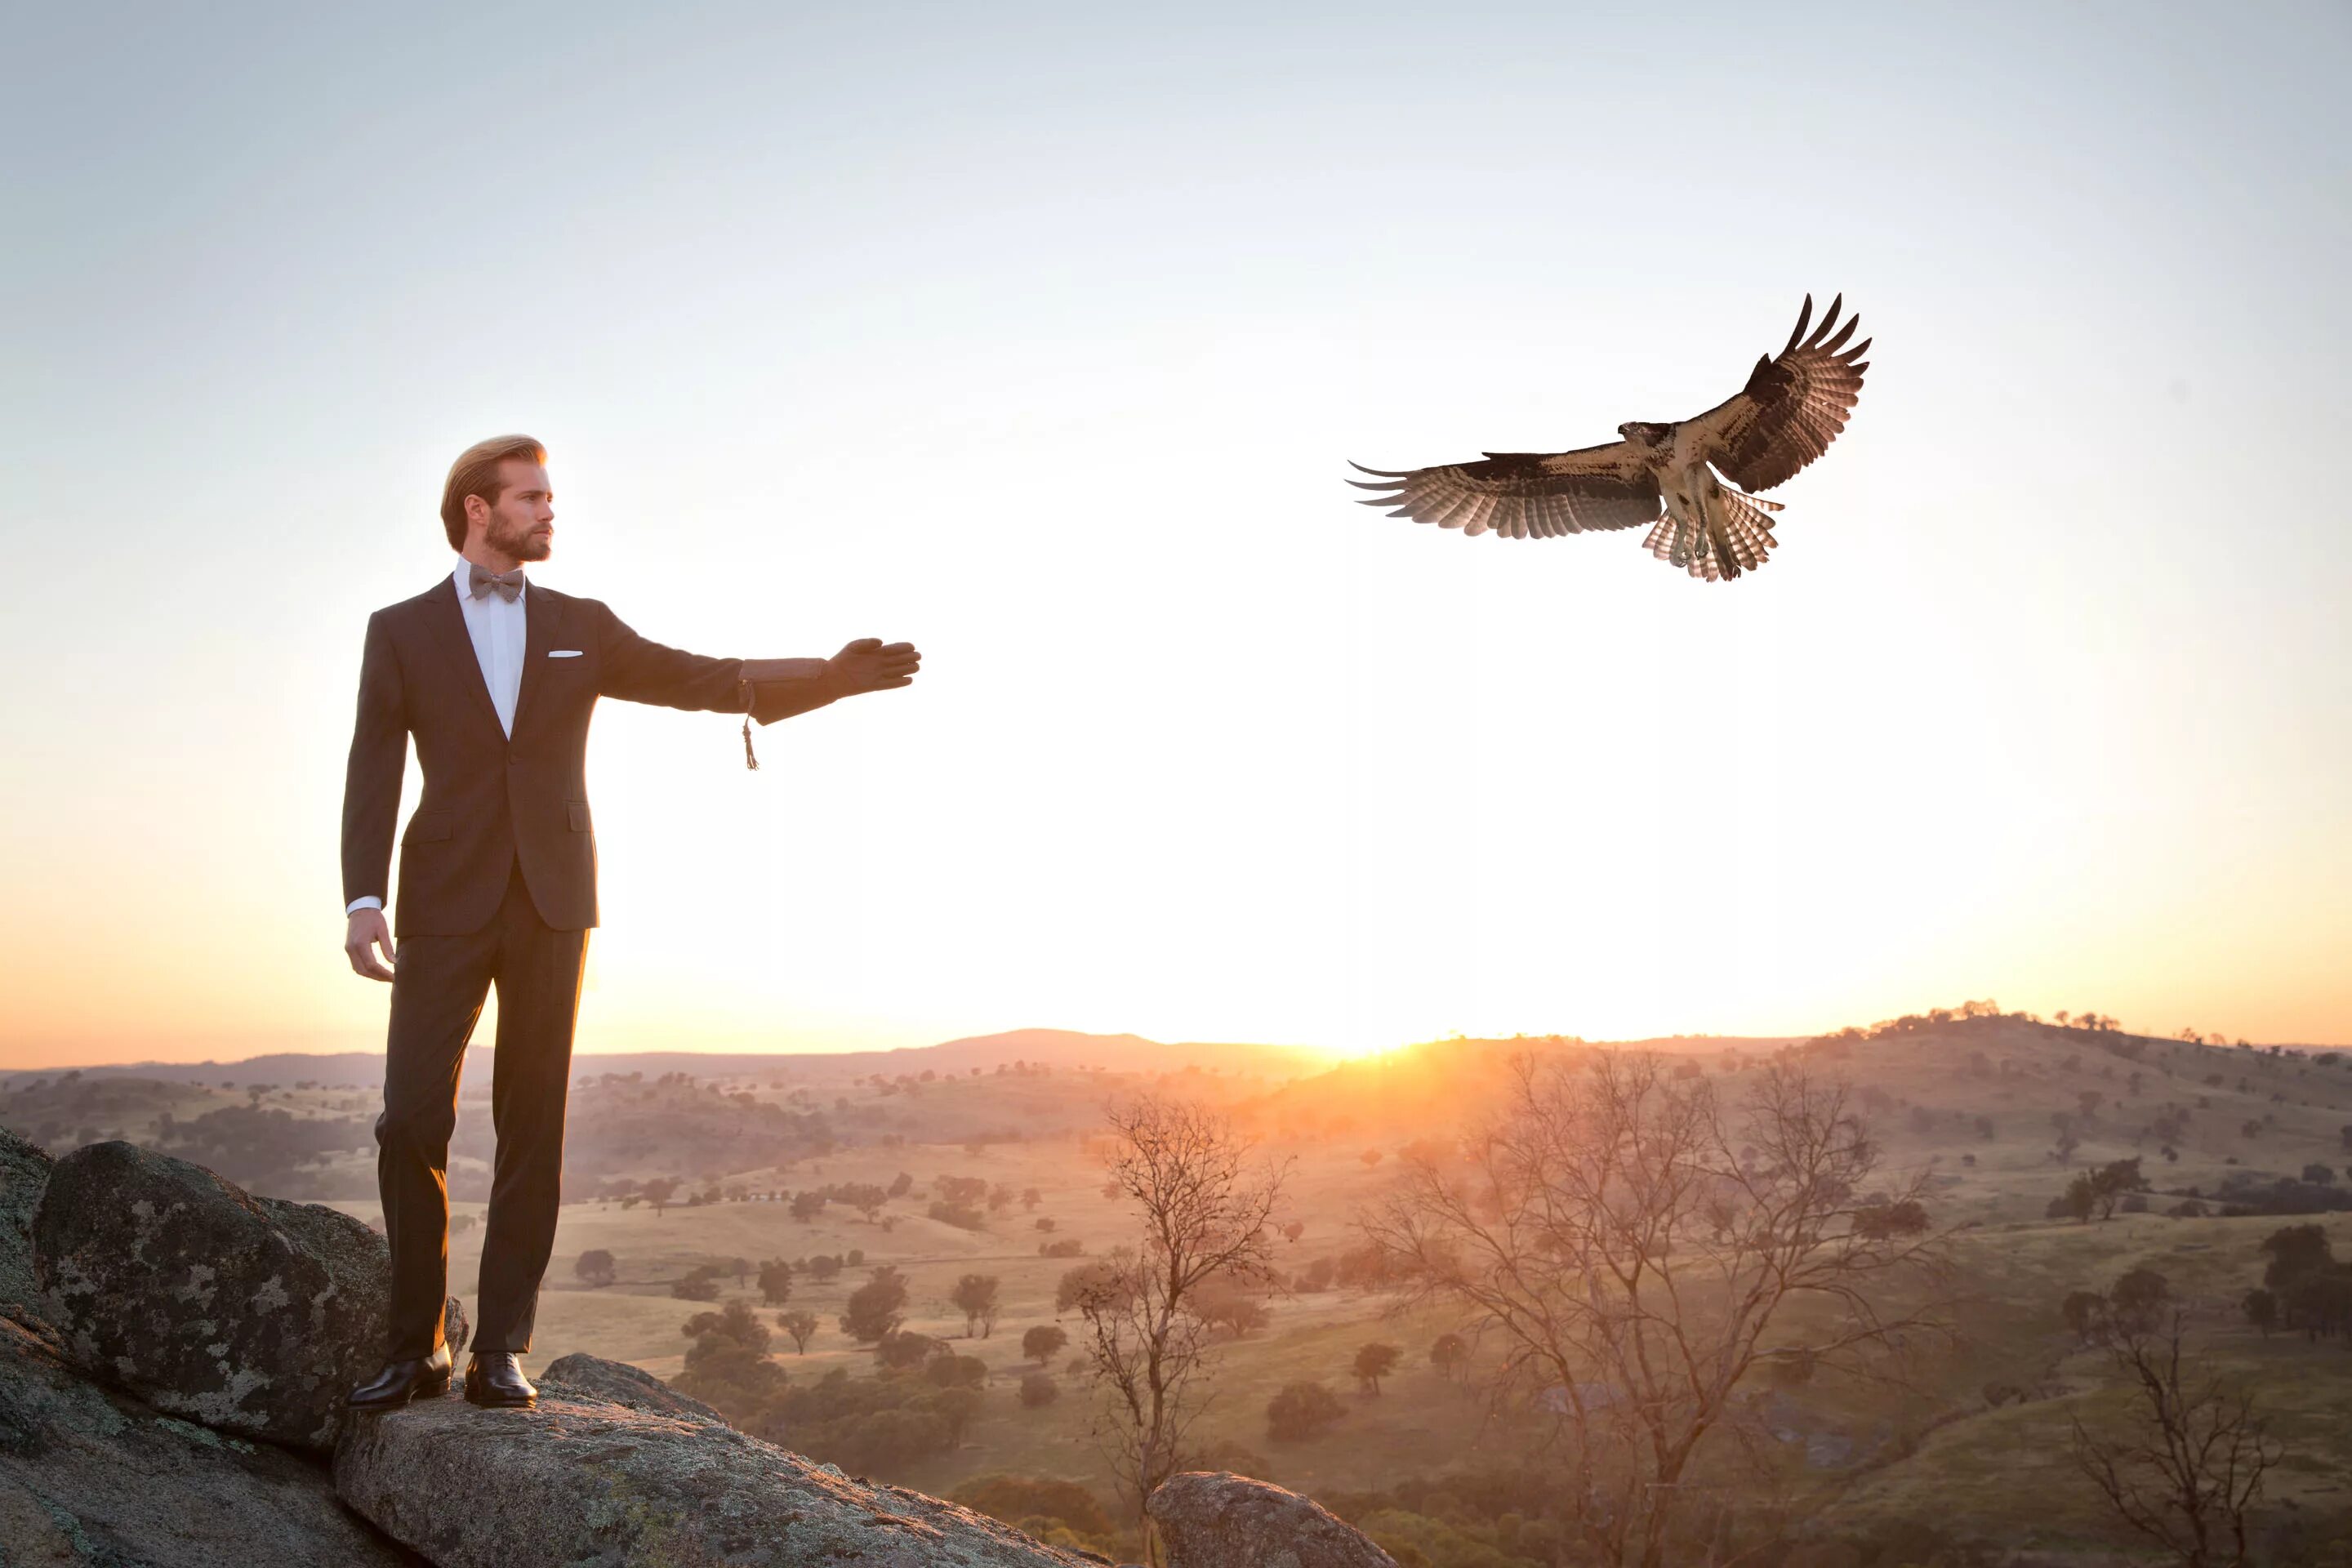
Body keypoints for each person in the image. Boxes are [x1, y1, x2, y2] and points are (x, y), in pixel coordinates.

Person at [339, 434, 919, 1412]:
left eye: (550, 498)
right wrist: (362, 900)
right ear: (477, 510)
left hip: (555, 899)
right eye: (531, 498)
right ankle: (418, 1344)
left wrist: (826, 675)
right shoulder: (398, 629)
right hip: (441, 897)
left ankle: (500, 1352)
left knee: (535, 1121)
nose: (549, 512)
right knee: (408, 1121)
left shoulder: (579, 622)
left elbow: (698, 677)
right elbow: (372, 767)